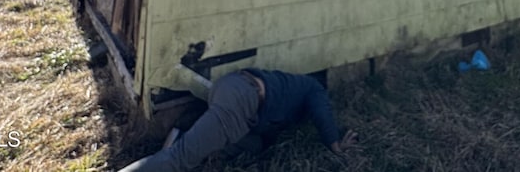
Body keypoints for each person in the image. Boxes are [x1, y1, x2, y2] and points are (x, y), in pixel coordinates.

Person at [118, 68, 356, 171]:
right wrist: (335, 144)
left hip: (232, 88)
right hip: (244, 99)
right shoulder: (314, 88)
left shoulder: (290, 87)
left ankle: (183, 133)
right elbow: (322, 111)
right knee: (180, 158)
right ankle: (179, 147)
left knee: (255, 145)